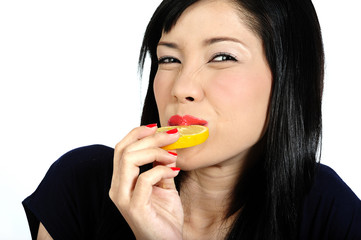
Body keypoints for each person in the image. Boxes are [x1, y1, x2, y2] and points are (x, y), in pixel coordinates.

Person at [23, 0, 361, 239]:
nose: (181, 88)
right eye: (169, 59)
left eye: (222, 56)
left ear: (290, 79)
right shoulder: (82, 185)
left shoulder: (331, 213)